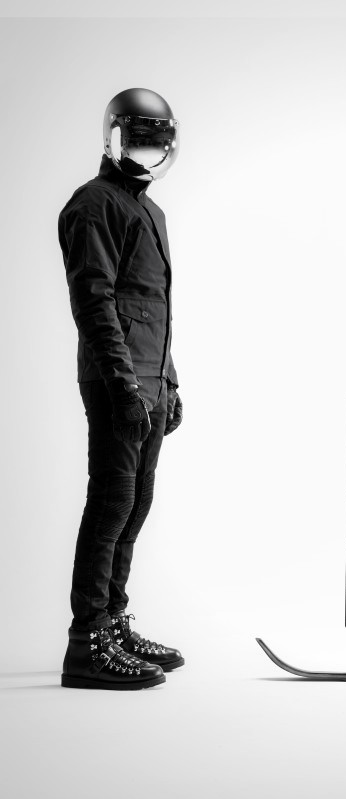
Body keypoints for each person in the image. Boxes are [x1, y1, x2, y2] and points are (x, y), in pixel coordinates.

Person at [57, 88, 185, 689]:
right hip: (117, 380)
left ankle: (113, 622)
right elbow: (95, 300)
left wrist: (168, 380)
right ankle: (87, 644)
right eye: (137, 139)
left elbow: (153, 306)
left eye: (156, 141)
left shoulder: (150, 211)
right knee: (111, 503)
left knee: (136, 503)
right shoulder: (94, 204)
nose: (146, 151)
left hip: (149, 378)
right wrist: (124, 383)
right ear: (113, 138)